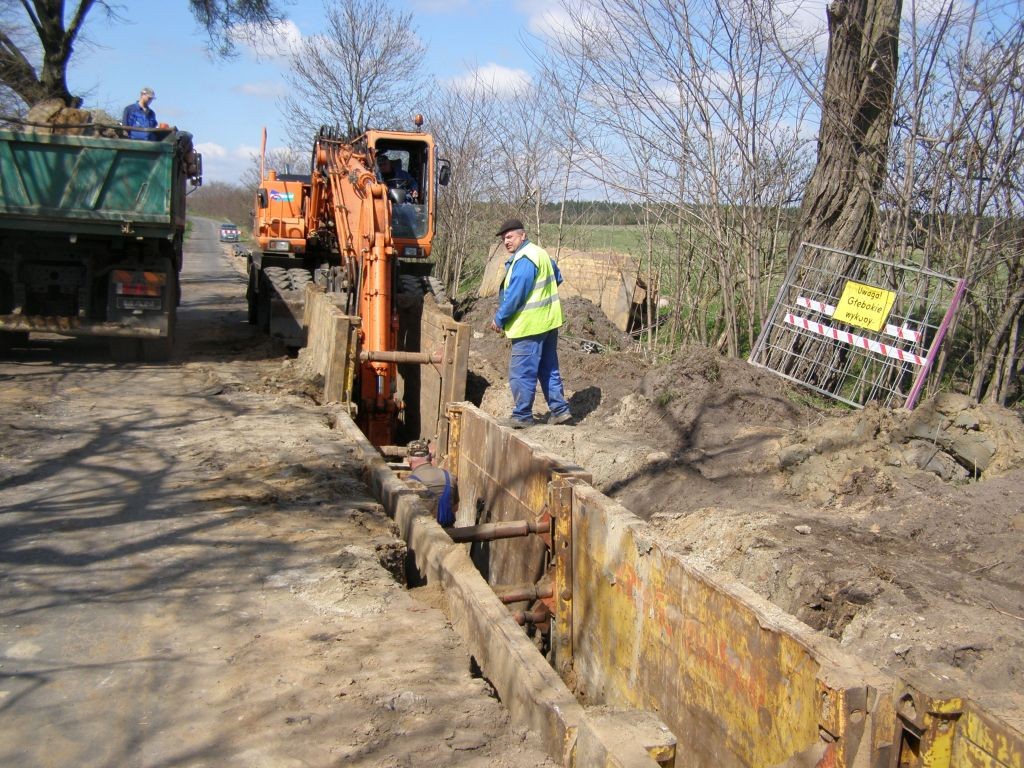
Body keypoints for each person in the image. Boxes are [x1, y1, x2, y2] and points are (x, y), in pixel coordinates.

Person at [490, 219, 573, 429]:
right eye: (503, 239)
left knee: (522, 371)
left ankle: (522, 416)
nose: (506, 242)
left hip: (530, 326)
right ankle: (560, 410)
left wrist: (500, 318)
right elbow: (557, 277)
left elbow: (516, 295)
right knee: (548, 368)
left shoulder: (525, 259)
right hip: (548, 323)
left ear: (522, 235)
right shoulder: (540, 253)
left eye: (509, 237)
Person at [407, 440, 454, 526]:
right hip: (449, 532)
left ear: (409, 460)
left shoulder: (410, 483)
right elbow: (456, 507)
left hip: (422, 532)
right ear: (429, 457)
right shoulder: (449, 477)